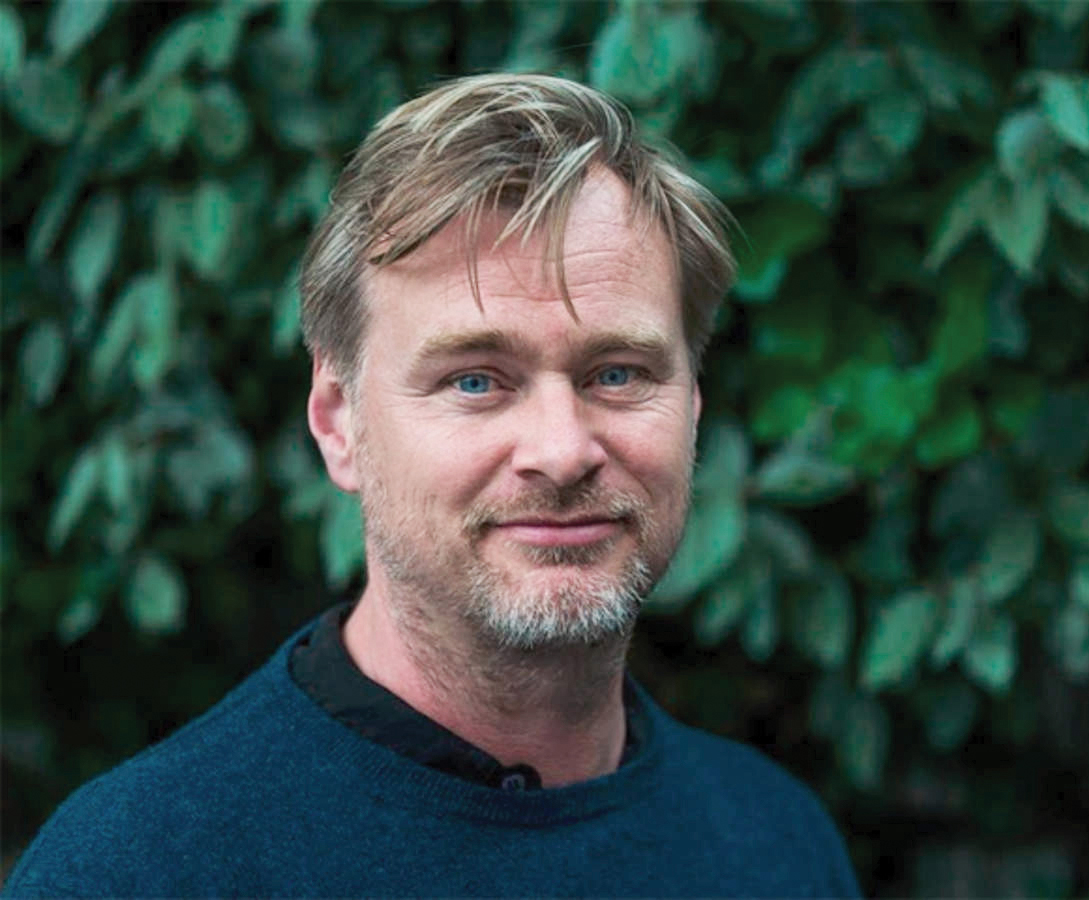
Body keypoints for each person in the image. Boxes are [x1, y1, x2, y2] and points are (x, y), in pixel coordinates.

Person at [5, 74, 860, 898]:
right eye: (475, 380)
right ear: (338, 423)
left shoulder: (776, 843)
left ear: (693, 407)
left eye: (618, 374)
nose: (563, 451)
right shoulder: (136, 871)